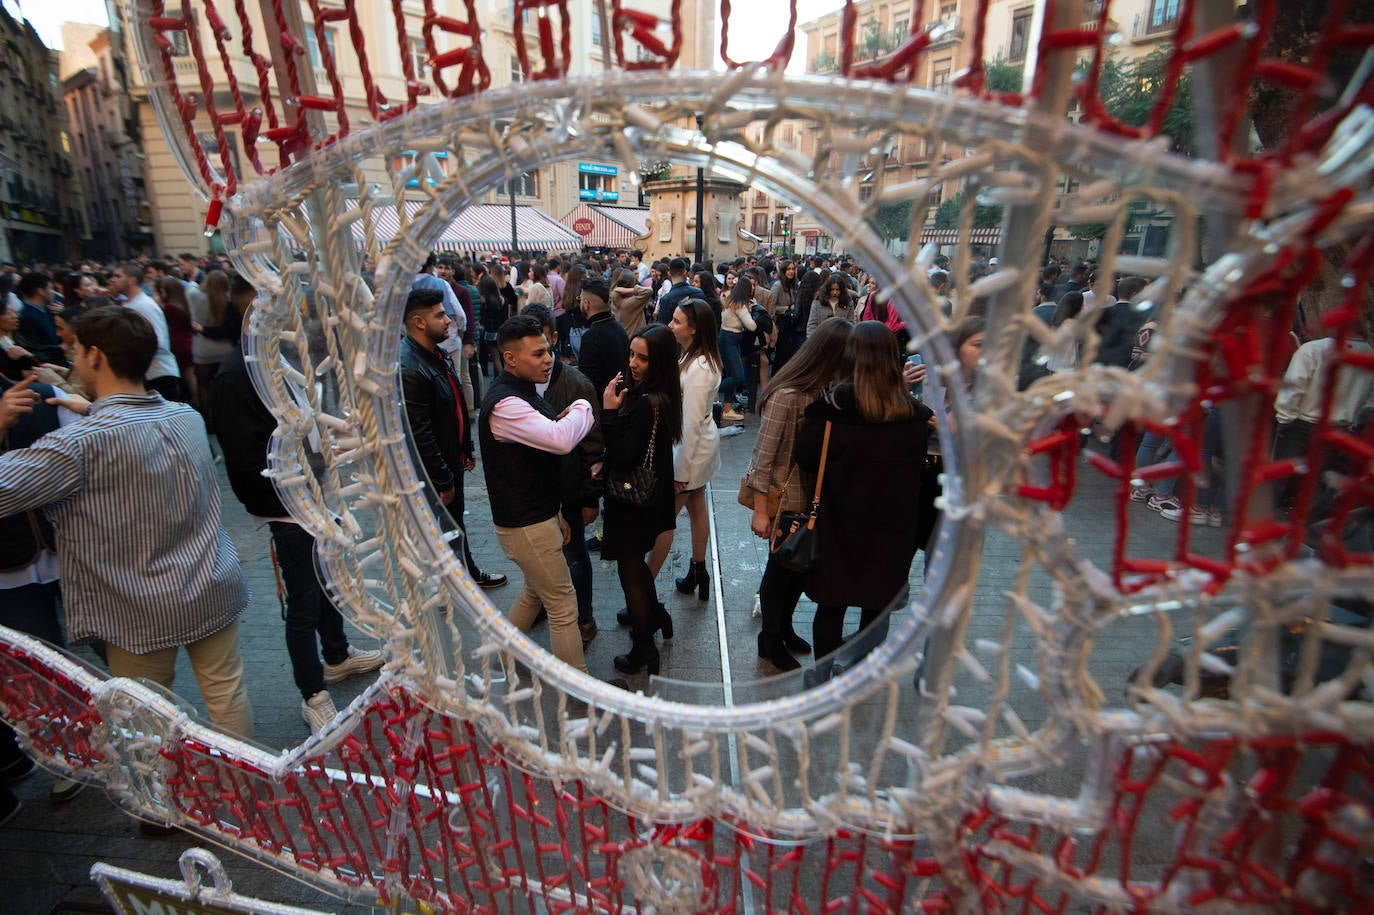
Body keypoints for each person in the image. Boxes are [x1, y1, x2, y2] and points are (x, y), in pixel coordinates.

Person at [0, 306, 254, 742]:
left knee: (146, 717)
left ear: (96, 356)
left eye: (75, 350)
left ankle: (163, 802)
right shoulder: (185, 416)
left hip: (135, 605)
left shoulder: (76, 444)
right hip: (210, 582)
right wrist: (95, 411)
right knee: (226, 696)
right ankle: (240, 789)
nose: (72, 359)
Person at [209, 319, 385, 735]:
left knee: (329, 583)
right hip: (291, 509)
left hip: (319, 498)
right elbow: (248, 458)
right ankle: (313, 693)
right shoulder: (238, 375)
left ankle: (338, 656)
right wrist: (295, 486)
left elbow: (310, 418)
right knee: (303, 601)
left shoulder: (281, 364)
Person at [795, 321, 934, 683]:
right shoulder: (914, 417)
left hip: (838, 524)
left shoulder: (828, 412)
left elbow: (807, 460)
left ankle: (821, 674)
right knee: (877, 604)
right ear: (893, 359)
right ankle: (863, 672)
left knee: (831, 603)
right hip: (893, 528)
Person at [479, 314, 599, 673]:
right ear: (511, 358)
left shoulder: (525, 393)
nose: (548, 359)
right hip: (526, 524)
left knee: (534, 592)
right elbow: (560, 439)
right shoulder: (507, 403)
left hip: (536, 517)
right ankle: (580, 690)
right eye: (537, 354)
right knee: (563, 605)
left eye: (547, 350)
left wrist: (557, 514)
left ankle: (503, 657)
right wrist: (584, 407)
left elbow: (546, 444)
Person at [745, 320, 854, 671]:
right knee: (780, 571)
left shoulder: (821, 389)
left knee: (795, 569)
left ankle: (784, 629)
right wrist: (760, 511)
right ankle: (770, 640)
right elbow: (762, 457)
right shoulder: (788, 394)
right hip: (784, 496)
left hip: (806, 495)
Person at [398, 288, 507, 589]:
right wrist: (442, 478)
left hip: (450, 458)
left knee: (454, 521)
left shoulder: (436, 355)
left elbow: (455, 404)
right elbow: (420, 432)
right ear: (419, 323)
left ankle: (463, 575)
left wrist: (466, 447)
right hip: (436, 468)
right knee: (440, 524)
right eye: (440, 315)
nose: (448, 320)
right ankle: (443, 585)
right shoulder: (410, 367)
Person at [520, 302, 604, 646]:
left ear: (554, 339)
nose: (537, 358)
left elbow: (593, 448)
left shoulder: (576, 385)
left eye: (541, 347)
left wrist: (588, 498)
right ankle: (540, 603)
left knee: (575, 558)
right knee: (539, 559)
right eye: (528, 351)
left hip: (568, 491)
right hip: (534, 494)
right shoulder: (516, 383)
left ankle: (584, 617)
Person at [602, 325, 682, 676]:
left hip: (633, 503)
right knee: (636, 570)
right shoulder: (663, 395)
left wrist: (608, 412)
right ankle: (657, 616)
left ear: (659, 362)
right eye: (632, 354)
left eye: (643, 358)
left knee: (630, 571)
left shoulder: (646, 403)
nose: (633, 363)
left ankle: (643, 649)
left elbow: (621, 456)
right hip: (650, 499)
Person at [652, 298, 722, 600]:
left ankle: (642, 587)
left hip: (691, 451)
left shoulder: (699, 369)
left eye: (677, 321)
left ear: (693, 329)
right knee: (696, 507)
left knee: (665, 520)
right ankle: (698, 569)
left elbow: (690, 424)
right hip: (699, 446)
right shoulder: (696, 358)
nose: (670, 325)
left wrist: (679, 471)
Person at [107, 262, 183, 401]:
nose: (113, 279)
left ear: (132, 280)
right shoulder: (131, 304)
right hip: (145, 374)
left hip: (158, 374)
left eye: (118, 276)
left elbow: (157, 340)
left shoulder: (145, 305)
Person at [576, 275, 630, 398]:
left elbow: (587, 384)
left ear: (586, 304)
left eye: (580, 299)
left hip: (604, 405)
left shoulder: (591, 337)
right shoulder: (619, 328)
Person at [718, 276, 758, 422]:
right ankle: (711, 391)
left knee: (731, 374)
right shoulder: (740, 304)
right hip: (730, 338)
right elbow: (752, 326)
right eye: (752, 286)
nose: (753, 288)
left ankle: (727, 409)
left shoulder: (730, 299)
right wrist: (751, 314)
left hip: (727, 337)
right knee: (737, 376)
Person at [611, 268, 652, 337]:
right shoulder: (629, 303)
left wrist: (621, 289)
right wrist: (629, 290)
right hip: (634, 338)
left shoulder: (614, 298)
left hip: (622, 338)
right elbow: (648, 291)